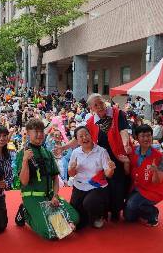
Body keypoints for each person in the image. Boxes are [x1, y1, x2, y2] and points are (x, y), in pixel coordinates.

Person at [56, 93, 131, 221]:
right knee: (104, 185)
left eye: (100, 102)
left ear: (104, 101)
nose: (99, 106)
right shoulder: (92, 121)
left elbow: (123, 130)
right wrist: (64, 147)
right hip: (100, 157)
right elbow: (78, 137)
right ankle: (102, 211)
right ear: (91, 108)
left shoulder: (117, 113)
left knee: (117, 185)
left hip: (117, 155)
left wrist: (125, 143)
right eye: (95, 105)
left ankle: (115, 212)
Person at [15, 118, 79, 240]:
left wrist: (55, 195)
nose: (39, 135)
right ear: (28, 133)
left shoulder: (47, 153)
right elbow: (24, 181)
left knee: (74, 218)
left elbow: (55, 177)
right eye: (36, 132)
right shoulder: (22, 154)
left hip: (50, 196)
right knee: (49, 233)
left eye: (41, 131)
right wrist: (24, 161)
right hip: (33, 197)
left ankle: (56, 221)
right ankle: (25, 212)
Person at [69, 126, 116, 229]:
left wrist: (111, 169)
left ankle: (99, 216)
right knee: (77, 222)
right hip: (79, 186)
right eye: (81, 136)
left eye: (86, 134)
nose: (85, 138)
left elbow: (108, 174)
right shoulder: (75, 152)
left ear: (91, 136)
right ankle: (86, 217)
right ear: (77, 141)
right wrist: (72, 168)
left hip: (96, 186)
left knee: (90, 203)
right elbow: (71, 174)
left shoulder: (101, 151)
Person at [119, 124, 163, 227]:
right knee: (129, 217)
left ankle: (152, 213)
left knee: (131, 206)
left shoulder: (159, 156)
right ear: (137, 138)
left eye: (149, 136)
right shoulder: (132, 152)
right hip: (136, 188)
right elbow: (127, 173)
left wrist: (155, 171)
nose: (146, 139)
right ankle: (138, 208)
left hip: (153, 191)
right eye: (143, 136)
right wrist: (126, 162)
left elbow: (157, 181)